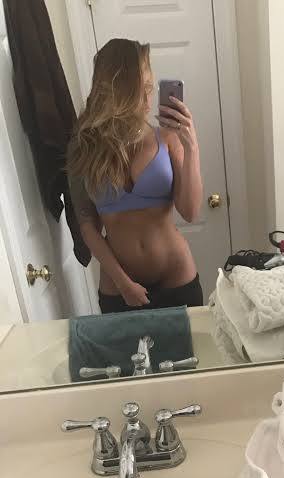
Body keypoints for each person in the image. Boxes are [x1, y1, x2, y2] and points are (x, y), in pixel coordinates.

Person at [67, 38, 203, 314]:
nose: (147, 100)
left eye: (150, 88)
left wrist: (192, 147)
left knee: (192, 344)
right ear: (115, 90)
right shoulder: (84, 147)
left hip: (177, 274)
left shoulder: (167, 138)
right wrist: (123, 282)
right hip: (118, 286)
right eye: (139, 90)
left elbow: (190, 211)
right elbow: (87, 225)